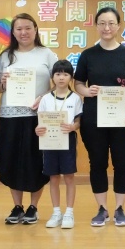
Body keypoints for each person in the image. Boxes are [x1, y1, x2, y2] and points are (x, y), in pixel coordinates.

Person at [74, 7, 125, 227]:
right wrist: (86, 91)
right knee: (97, 163)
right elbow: (78, 83)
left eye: (111, 23)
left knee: (122, 163)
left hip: (123, 119)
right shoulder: (88, 55)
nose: (107, 27)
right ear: (96, 26)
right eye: (102, 23)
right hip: (93, 119)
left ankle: (120, 209)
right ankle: (102, 209)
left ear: (119, 26)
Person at [0, 13, 58, 225]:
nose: (24, 32)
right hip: (10, 116)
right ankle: (17, 206)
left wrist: (45, 97)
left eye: (28, 28)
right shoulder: (6, 56)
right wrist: (3, 84)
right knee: (10, 159)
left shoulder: (47, 54)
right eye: (19, 29)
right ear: (13, 32)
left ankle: (33, 207)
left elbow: (60, 82)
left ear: (36, 29)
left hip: (37, 116)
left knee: (36, 160)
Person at [35, 60, 83, 229]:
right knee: (53, 177)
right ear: (52, 77)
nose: (61, 77)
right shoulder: (45, 99)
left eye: (65, 74)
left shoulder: (75, 98)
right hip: (49, 141)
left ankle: (69, 212)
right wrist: (38, 130)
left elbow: (78, 121)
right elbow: (40, 122)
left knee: (69, 176)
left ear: (71, 77)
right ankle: (56, 212)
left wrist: (73, 127)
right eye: (58, 74)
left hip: (67, 140)